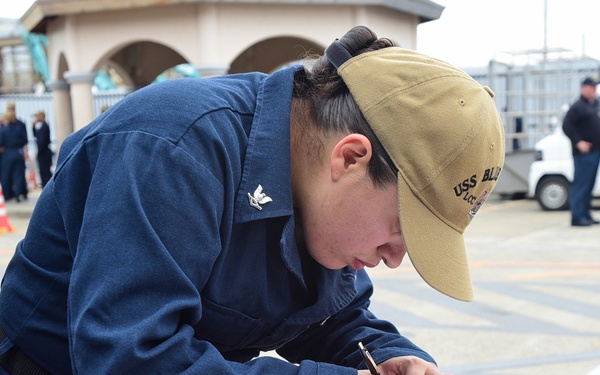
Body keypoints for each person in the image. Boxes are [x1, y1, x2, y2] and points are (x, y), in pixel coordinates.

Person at [0, 26, 505, 375]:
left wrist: (389, 354)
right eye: (402, 226)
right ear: (350, 159)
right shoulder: (173, 150)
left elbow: (333, 317)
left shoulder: (323, 208)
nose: (395, 258)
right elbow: (131, 357)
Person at [562, 77, 600, 227]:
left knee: (590, 185)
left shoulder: (595, 104)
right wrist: (579, 142)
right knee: (581, 184)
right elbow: (567, 125)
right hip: (584, 154)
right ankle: (577, 216)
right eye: (592, 87)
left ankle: (586, 214)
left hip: (596, 151)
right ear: (584, 88)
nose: (595, 90)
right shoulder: (578, 106)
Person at [0, 111, 28, 202]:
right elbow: (24, 140)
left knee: (6, 175)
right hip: (17, 152)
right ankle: (18, 194)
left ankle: (7, 195)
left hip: (7, 154)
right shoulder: (18, 129)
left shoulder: (3, 130)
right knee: (18, 175)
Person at [32, 110, 54, 188]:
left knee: (45, 172)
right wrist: (33, 126)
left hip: (44, 152)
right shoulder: (42, 126)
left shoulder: (45, 126)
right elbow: (36, 135)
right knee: (43, 171)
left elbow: (42, 141)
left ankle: (47, 187)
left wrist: (40, 151)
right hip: (42, 152)